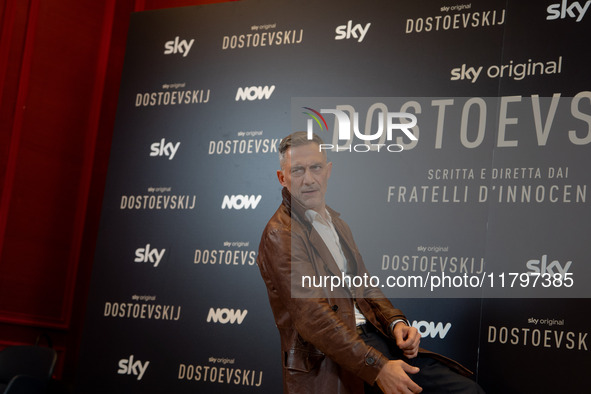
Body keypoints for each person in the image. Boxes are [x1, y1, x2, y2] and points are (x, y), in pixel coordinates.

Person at [257, 132, 484, 394]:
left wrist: (395, 323)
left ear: (328, 171)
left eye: (315, 167)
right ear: (282, 178)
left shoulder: (336, 223)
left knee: (467, 391)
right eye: (297, 170)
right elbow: (314, 319)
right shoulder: (281, 233)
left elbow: (364, 286)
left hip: (374, 340)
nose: (309, 179)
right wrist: (377, 368)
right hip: (331, 359)